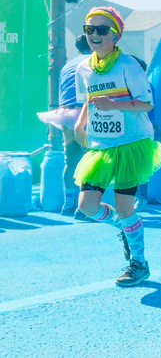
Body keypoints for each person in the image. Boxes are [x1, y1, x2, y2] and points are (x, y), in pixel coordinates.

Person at [73, 7, 161, 286]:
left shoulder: (128, 65)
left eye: (102, 30)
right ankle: (124, 228)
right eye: (89, 29)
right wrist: (80, 123)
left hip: (130, 145)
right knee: (87, 206)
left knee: (125, 207)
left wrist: (114, 104)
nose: (95, 35)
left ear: (116, 35)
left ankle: (139, 263)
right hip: (101, 147)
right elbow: (89, 101)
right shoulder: (83, 68)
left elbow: (146, 104)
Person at [37, 34, 93, 220]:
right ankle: (85, 206)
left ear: (77, 48)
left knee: (70, 161)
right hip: (85, 115)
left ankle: (68, 204)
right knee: (90, 161)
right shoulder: (95, 62)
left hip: (66, 114)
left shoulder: (68, 65)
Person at [132, 56, 161, 212]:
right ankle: (134, 197)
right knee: (131, 164)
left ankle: (141, 198)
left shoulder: (145, 85)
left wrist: (154, 125)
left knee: (141, 164)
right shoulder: (127, 83)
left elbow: (150, 108)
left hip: (143, 129)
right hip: (131, 129)